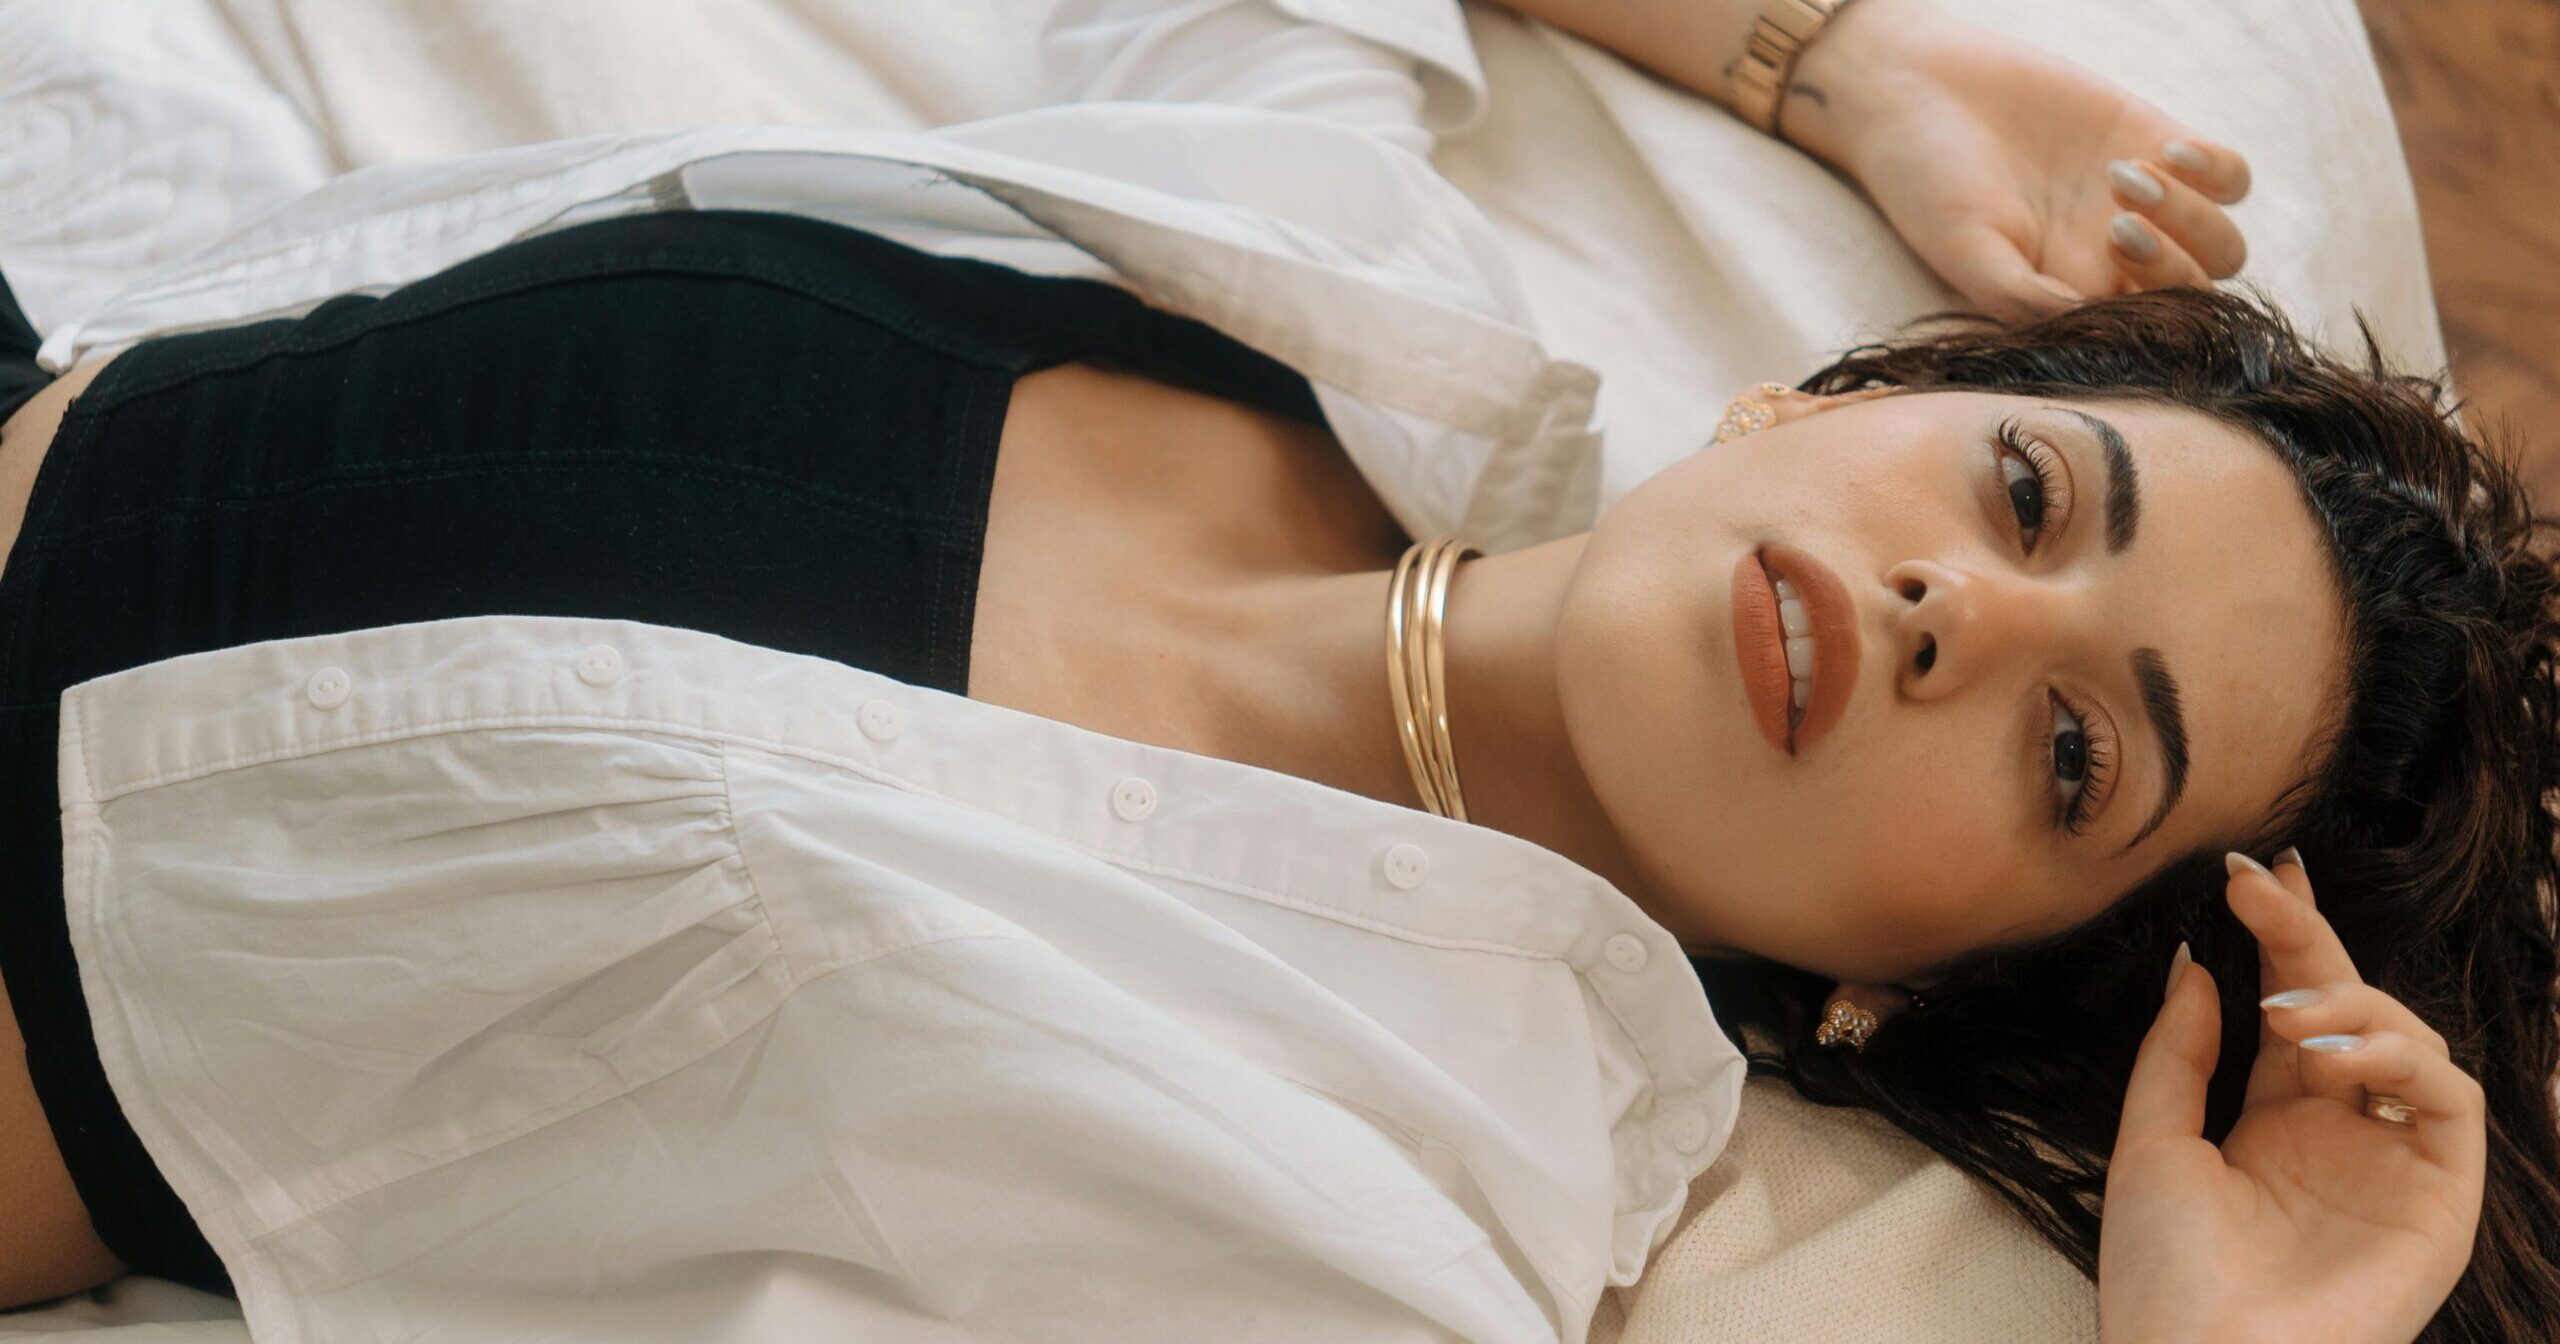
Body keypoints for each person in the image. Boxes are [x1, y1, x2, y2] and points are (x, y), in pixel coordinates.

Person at [0, 0, 2548, 1340]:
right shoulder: (1305, 297)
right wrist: (1846, 63)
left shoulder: (1402, 1187)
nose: (1952, 617)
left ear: (1929, 982)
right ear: (1815, 406)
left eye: (2072, 751)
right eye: (2020, 496)